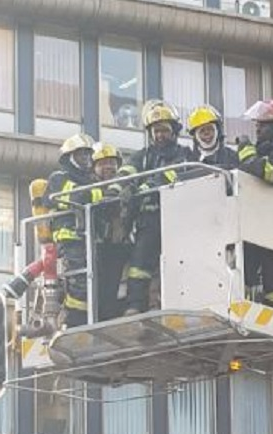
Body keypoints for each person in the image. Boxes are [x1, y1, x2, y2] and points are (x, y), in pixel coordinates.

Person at [119, 99, 194, 314]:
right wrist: (122, 188)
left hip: (176, 219)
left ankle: (171, 304)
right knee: (139, 264)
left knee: (175, 262)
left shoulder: (184, 154)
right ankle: (135, 305)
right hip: (148, 220)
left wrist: (148, 185)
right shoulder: (142, 157)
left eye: (164, 130)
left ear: (174, 131)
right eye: (156, 131)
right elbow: (127, 172)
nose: (160, 135)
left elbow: (176, 173)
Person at [237, 99, 273, 309]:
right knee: (246, 265)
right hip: (254, 222)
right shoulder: (259, 150)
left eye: (262, 125)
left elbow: (271, 173)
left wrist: (247, 155)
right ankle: (245, 303)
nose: (258, 128)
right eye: (257, 124)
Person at [44, 133, 103, 328]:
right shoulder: (59, 178)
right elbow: (76, 196)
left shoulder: (91, 179)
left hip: (90, 238)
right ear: (70, 157)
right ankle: (72, 321)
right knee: (78, 283)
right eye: (81, 154)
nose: (86, 159)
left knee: (93, 282)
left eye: (88, 154)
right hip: (69, 237)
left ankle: (85, 319)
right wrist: (99, 193)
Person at [90, 142, 131, 320]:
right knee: (101, 287)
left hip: (120, 245)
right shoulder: (89, 188)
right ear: (94, 168)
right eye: (102, 163)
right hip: (97, 247)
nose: (108, 167)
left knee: (118, 286)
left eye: (112, 163)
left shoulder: (125, 187)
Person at [187, 104, 239, 170]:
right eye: (202, 131)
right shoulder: (189, 162)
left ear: (218, 131)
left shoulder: (232, 156)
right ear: (195, 136)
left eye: (209, 129)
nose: (206, 133)